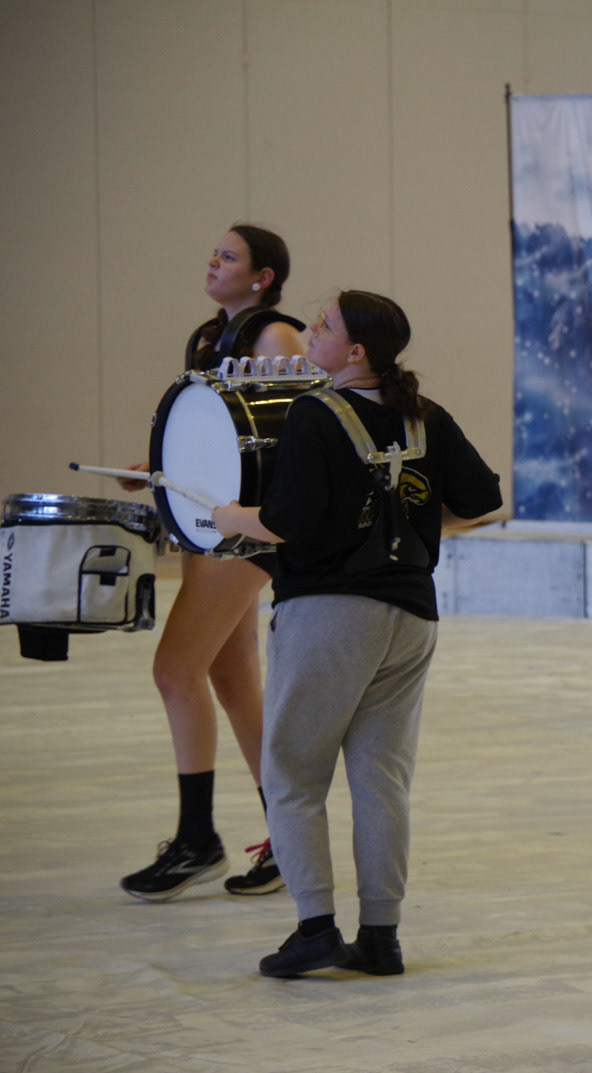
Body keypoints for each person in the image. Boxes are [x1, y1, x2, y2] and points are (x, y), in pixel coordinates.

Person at [212, 290, 502, 978]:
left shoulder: (314, 412)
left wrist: (229, 517)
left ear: (356, 351)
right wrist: (411, 524)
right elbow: (483, 500)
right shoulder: (425, 415)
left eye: (324, 325)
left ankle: (315, 926)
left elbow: (284, 523)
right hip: (412, 617)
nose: (311, 331)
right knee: (381, 781)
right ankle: (380, 937)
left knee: (292, 775)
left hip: (330, 614)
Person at [119, 224, 306, 902]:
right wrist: (158, 468)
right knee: (230, 680)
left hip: (246, 532)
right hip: (212, 525)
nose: (213, 262)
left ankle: (197, 838)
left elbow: (290, 441)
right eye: (214, 253)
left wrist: (253, 519)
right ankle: (288, 839)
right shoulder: (212, 337)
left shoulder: (276, 337)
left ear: (263, 276)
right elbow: (213, 437)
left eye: (229, 256)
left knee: (174, 670)